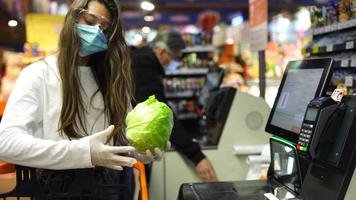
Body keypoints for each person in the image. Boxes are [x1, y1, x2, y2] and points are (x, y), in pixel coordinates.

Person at [0, 0, 163, 199]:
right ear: (73, 18)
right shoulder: (39, 74)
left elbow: (122, 137)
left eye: (104, 28)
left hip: (111, 188)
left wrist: (142, 150)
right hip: (57, 190)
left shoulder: (113, 79)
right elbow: (5, 143)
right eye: (89, 20)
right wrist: (83, 152)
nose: (96, 31)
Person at [131, 29, 217, 182]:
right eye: (176, 58)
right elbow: (160, 117)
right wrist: (196, 155)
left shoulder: (141, 59)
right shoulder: (144, 66)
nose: (176, 64)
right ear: (163, 52)